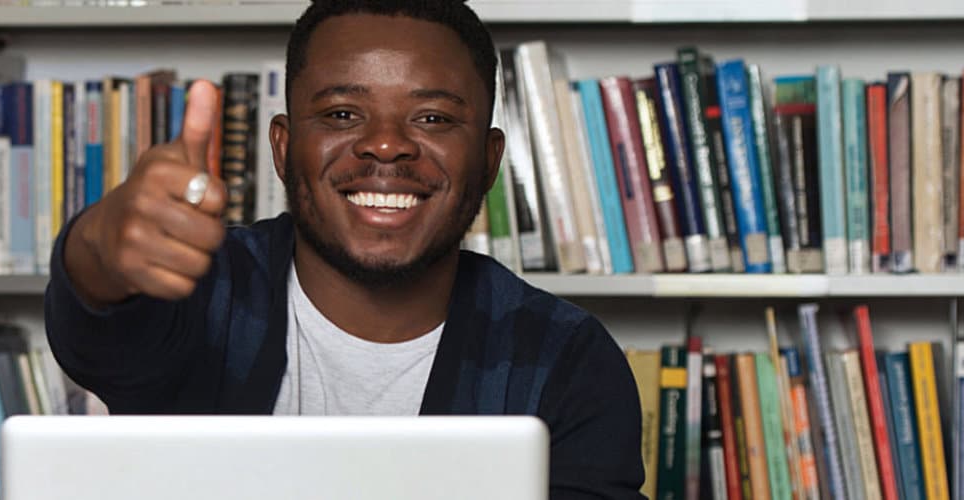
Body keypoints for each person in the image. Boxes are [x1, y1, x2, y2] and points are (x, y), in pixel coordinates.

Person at [44, 1, 643, 497]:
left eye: (432, 118)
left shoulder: (567, 361)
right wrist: (101, 240)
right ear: (282, 149)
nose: (386, 145)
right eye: (342, 113)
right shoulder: (203, 290)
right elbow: (93, 322)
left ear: (488, 162)